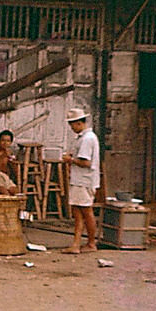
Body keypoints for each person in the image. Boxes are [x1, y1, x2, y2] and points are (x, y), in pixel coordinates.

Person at [62, 108, 100, 254]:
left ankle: (91, 243)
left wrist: (70, 159)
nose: (71, 127)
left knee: (86, 211)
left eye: (72, 124)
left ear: (79, 123)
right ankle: (76, 244)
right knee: (78, 212)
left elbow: (86, 162)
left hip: (84, 181)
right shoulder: (84, 138)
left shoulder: (87, 139)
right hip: (80, 180)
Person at [0, 130, 18, 195]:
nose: (5, 143)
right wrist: (3, 156)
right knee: (5, 193)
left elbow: (16, 172)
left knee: (16, 192)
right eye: (3, 140)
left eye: (8, 141)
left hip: (6, 177)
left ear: (11, 143)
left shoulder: (10, 153)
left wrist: (12, 161)